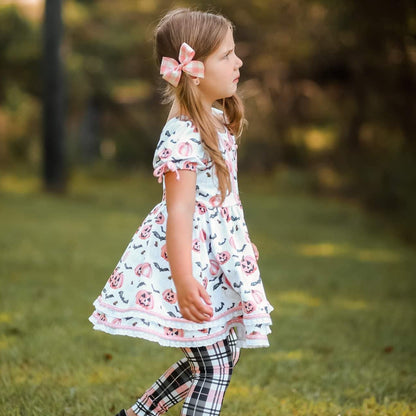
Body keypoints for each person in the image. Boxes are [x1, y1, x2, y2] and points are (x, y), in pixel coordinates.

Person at [89, 8, 273, 416]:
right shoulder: (183, 132)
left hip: (214, 257)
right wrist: (184, 279)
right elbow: (179, 212)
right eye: (227, 55)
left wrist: (241, 245)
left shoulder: (217, 121)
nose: (238, 61)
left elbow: (225, 200)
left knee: (221, 355)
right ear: (195, 70)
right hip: (186, 261)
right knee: (214, 365)